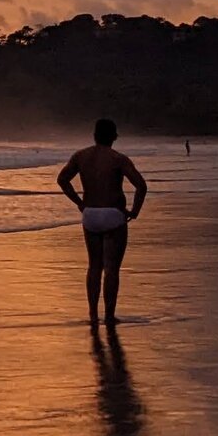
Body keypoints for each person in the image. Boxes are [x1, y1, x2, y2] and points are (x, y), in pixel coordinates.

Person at [58, 117, 148, 327]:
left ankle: (92, 313)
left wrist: (79, 203)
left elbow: (62, 179)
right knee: (111, 269)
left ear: (94, 135)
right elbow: (141, 186)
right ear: (114, 137)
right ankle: (108, 315)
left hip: (90, 215)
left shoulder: (81, 156)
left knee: (94, 266)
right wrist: (134, 211)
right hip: (113, 215)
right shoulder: (118, 159)